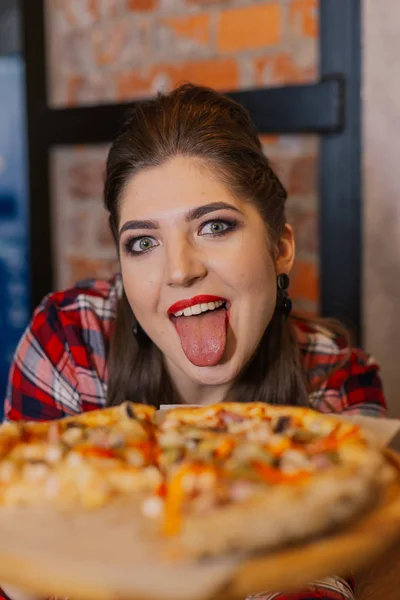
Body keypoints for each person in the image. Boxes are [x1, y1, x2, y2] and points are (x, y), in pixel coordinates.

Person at [1, 84, 386, 600]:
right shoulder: (70, 342)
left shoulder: (336, 378)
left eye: (214, 226)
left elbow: (317, 586)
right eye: (143, 242)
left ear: (281, 248)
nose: (180, 270)